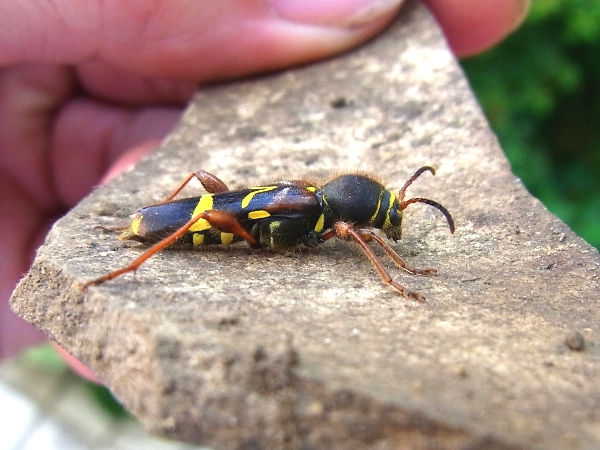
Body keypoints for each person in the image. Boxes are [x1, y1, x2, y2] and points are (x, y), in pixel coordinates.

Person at [0, 0, 529, 380]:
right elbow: (363, 238)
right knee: (204, 203)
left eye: (390, 211)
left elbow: (365, 235)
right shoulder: (322, 214)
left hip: (212, 218)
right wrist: (399, 277)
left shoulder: (319, 206)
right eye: (389, 212)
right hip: (211, 226)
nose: (386, 223)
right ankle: (128, 264)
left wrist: (407, 268)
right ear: (362, 210)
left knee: (207, 191)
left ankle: (148, 225)